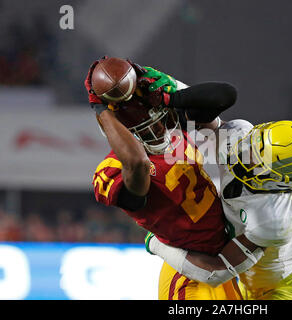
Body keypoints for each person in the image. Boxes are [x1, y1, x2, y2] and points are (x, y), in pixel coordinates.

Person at [85, 56, 243, 300]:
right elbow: (137, 163)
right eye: (148, 126)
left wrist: (171, 96)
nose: (161, 129)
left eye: (161, 118)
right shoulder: (111, 170)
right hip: (191, 273)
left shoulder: (175, 133)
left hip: (228, 255)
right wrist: (103, 113)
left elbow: (226, 95)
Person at [146, 119, 292, 300]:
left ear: (280, 182)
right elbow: (204, 119)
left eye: (260, 159)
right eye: (256, 144)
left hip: (280, 291)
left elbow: (216, 272)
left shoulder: (274, 220)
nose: (247, 153)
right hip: (246, 282)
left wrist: (156, 243)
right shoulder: (240, 137)